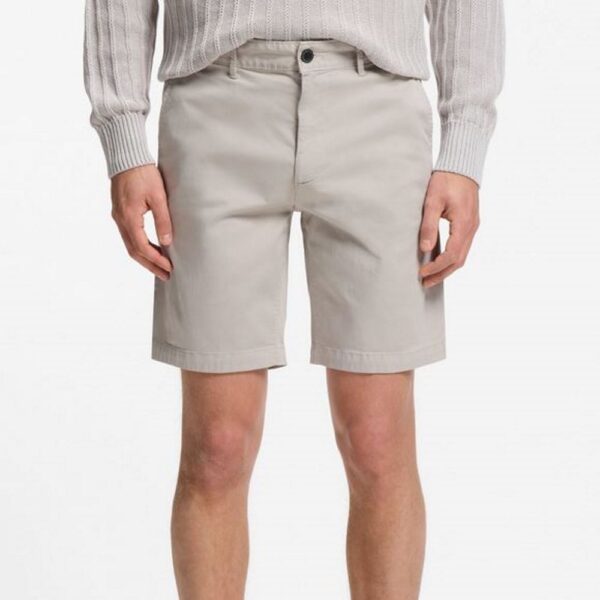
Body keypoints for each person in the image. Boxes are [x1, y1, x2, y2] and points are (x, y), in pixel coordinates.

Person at [84, 1, 504, 598]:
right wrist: (123, 134)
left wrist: (465, 141)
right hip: (214, 105)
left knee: (377, 439)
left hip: (376, 105)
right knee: (217, 447)